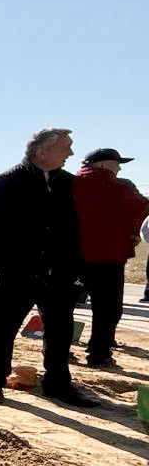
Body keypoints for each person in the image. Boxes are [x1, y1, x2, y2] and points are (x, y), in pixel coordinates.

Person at [0, 128, 98, 407]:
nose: (71, 153)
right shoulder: (5, 182)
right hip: (15, 272)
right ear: (42, 152)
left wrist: (76, 268)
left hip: (58, 273)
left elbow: (75, 229)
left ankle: (58, 384)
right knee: (2, 327)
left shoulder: (68, 184)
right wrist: (4, 267)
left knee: (60, 330)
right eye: (65, 147)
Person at [72, 148, 149, 367]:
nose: (119, 169)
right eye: (117, 164)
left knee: (61, 307)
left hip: (69, 257)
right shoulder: (120, 187)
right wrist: (133, 233)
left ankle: (59, 351)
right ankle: (99, 353)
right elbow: (142, 210)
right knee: (106, 309)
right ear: (104, 165)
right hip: (107, 257)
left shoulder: (67, 183)